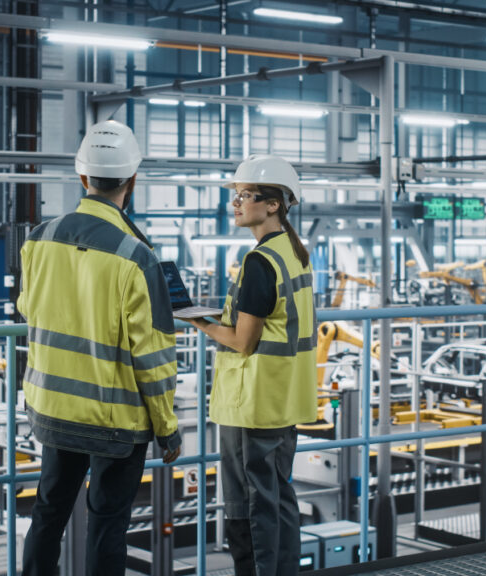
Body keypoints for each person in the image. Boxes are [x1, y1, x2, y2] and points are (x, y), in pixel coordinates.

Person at [17, 120, 182, 576]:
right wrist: (167, 429)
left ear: (83, 177)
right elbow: (152, 356)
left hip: (53, 407)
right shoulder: (136, 256)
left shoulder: (39, 239)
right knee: (107, 524)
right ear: (133, 180)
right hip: (114, 422)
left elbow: (29, 306)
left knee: (48, 514)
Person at [186, 154, 317, 576]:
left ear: (274, 203)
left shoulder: (260, 262)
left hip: (252, 401)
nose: (235, 204)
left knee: (250, 502)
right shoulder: (293, 253)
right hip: (283, 395)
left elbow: (244, 341)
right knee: (278, 495)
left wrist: (198, 321)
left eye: (244, 195)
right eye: (236, 195)